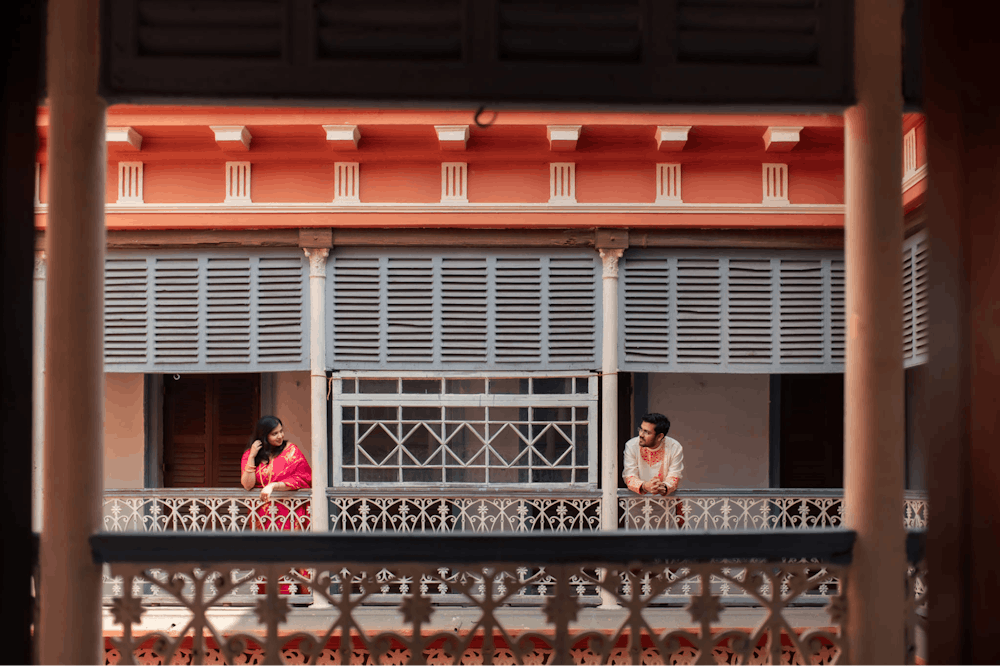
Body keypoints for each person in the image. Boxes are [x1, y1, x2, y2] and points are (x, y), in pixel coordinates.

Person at [240, 415, 312, 530]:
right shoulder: (250, 455)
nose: (280, 436)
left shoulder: (292, 451)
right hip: (261, 514)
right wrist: (252, 457)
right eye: (274, 434)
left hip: (289, 512)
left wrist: (273, 486)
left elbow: (304, 478)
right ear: (264, 436)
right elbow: (248, 485)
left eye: (281, 431)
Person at [622, 412, 684, 496]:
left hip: (665, 504)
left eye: (646, 432)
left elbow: (674, 476)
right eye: (641, 429)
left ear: (659, 436)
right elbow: (629, 476)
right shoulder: (631, 445)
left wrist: (663, 487)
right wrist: (645, 486)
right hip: (637, 504)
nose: (641, 434)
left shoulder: (674, 447)